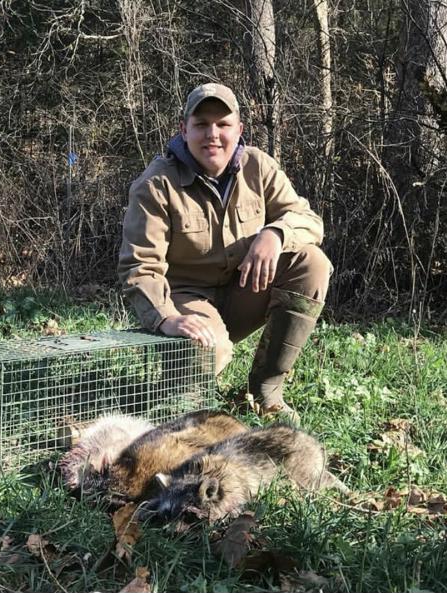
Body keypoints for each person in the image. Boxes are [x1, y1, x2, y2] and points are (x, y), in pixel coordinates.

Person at [117, 82, 330, 420]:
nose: (212, 135)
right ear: (183, 129)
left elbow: (308, 220)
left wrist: (275, 234)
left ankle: (266, 390)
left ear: (239, 130)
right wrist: (168, 318)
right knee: (203, 358)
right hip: (187, 301)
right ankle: (175, 391)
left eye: (223, 124)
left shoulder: (259, 167)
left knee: (312, 264)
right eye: (201, 124)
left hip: (244, 292)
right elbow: (139, 268)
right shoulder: (156, 185)